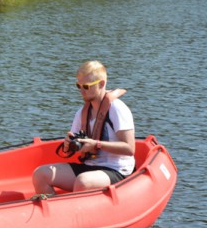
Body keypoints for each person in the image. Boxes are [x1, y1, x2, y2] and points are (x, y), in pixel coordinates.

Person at [32, 60, 135, 195]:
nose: (81, 91)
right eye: (78, 86)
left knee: (83, 181)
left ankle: (75, 214)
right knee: (40, 174)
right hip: (90, 166)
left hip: (116, 169)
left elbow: (130, 149)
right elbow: (74, 149)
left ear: (101, 84)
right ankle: (54, 213)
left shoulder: (117, 109)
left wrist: (97, 144)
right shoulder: (82, 112)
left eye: (86, 86)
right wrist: (68, 144)